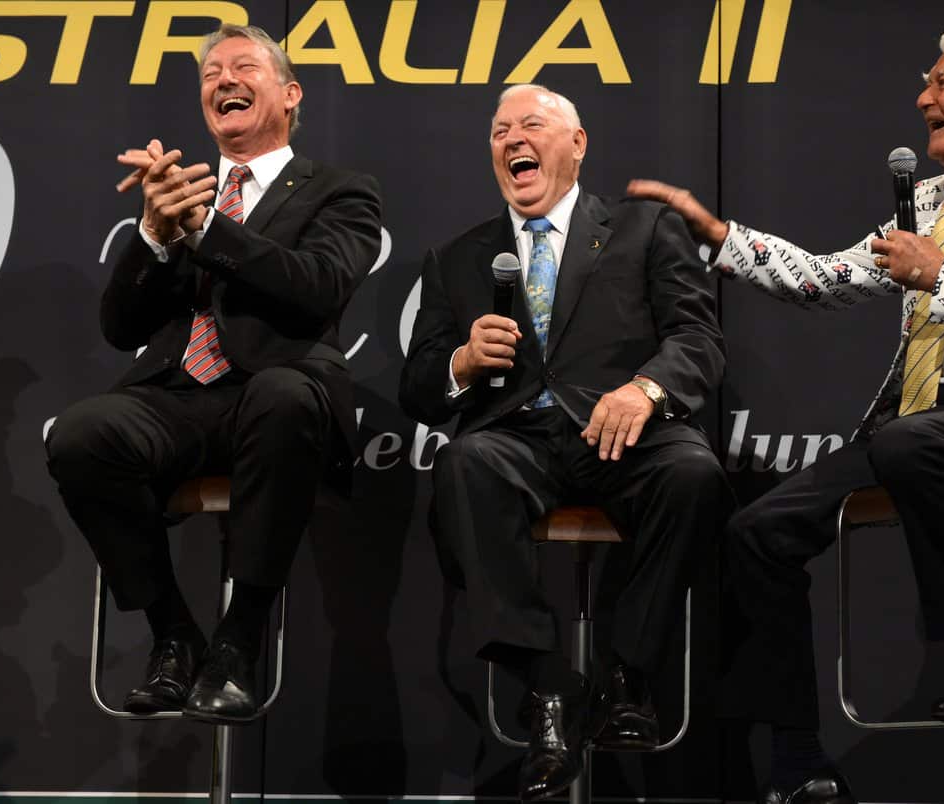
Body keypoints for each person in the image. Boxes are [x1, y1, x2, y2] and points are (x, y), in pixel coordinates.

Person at [630, 22, 944, 804]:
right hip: (920, 418)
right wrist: (720, 236)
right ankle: (800, 759)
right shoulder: (929, 199)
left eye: (940, 83)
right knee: (757, 532)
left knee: (912, 446)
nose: (921, 97)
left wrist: (943, 272)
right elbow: (825, 279)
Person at [399, 84, 729, 801]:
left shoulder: (643, 228)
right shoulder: (457, 256)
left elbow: (698, 339)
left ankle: (627, 675)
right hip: (515, 439)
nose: (512, 140)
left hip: (627, 432)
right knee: (464, 464)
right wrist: (458, 363)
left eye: (532, 126)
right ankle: (549, 687)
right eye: (499, 131)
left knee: (694, 476)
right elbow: (418, 386)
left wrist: (644, 389)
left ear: (576, 144)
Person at [45, 24, 382, 724]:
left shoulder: (341, 192)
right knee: (81, 434)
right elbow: (121, 330)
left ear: (289, 94)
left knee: (286, 395)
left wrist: (207, 230)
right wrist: (154, 237)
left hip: (275, 397)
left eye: (243, 67)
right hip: (176, 400)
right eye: (210, 73)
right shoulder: (180, 195)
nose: (222, 79)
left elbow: (317, 286)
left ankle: (238, 638)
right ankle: (173, 634)